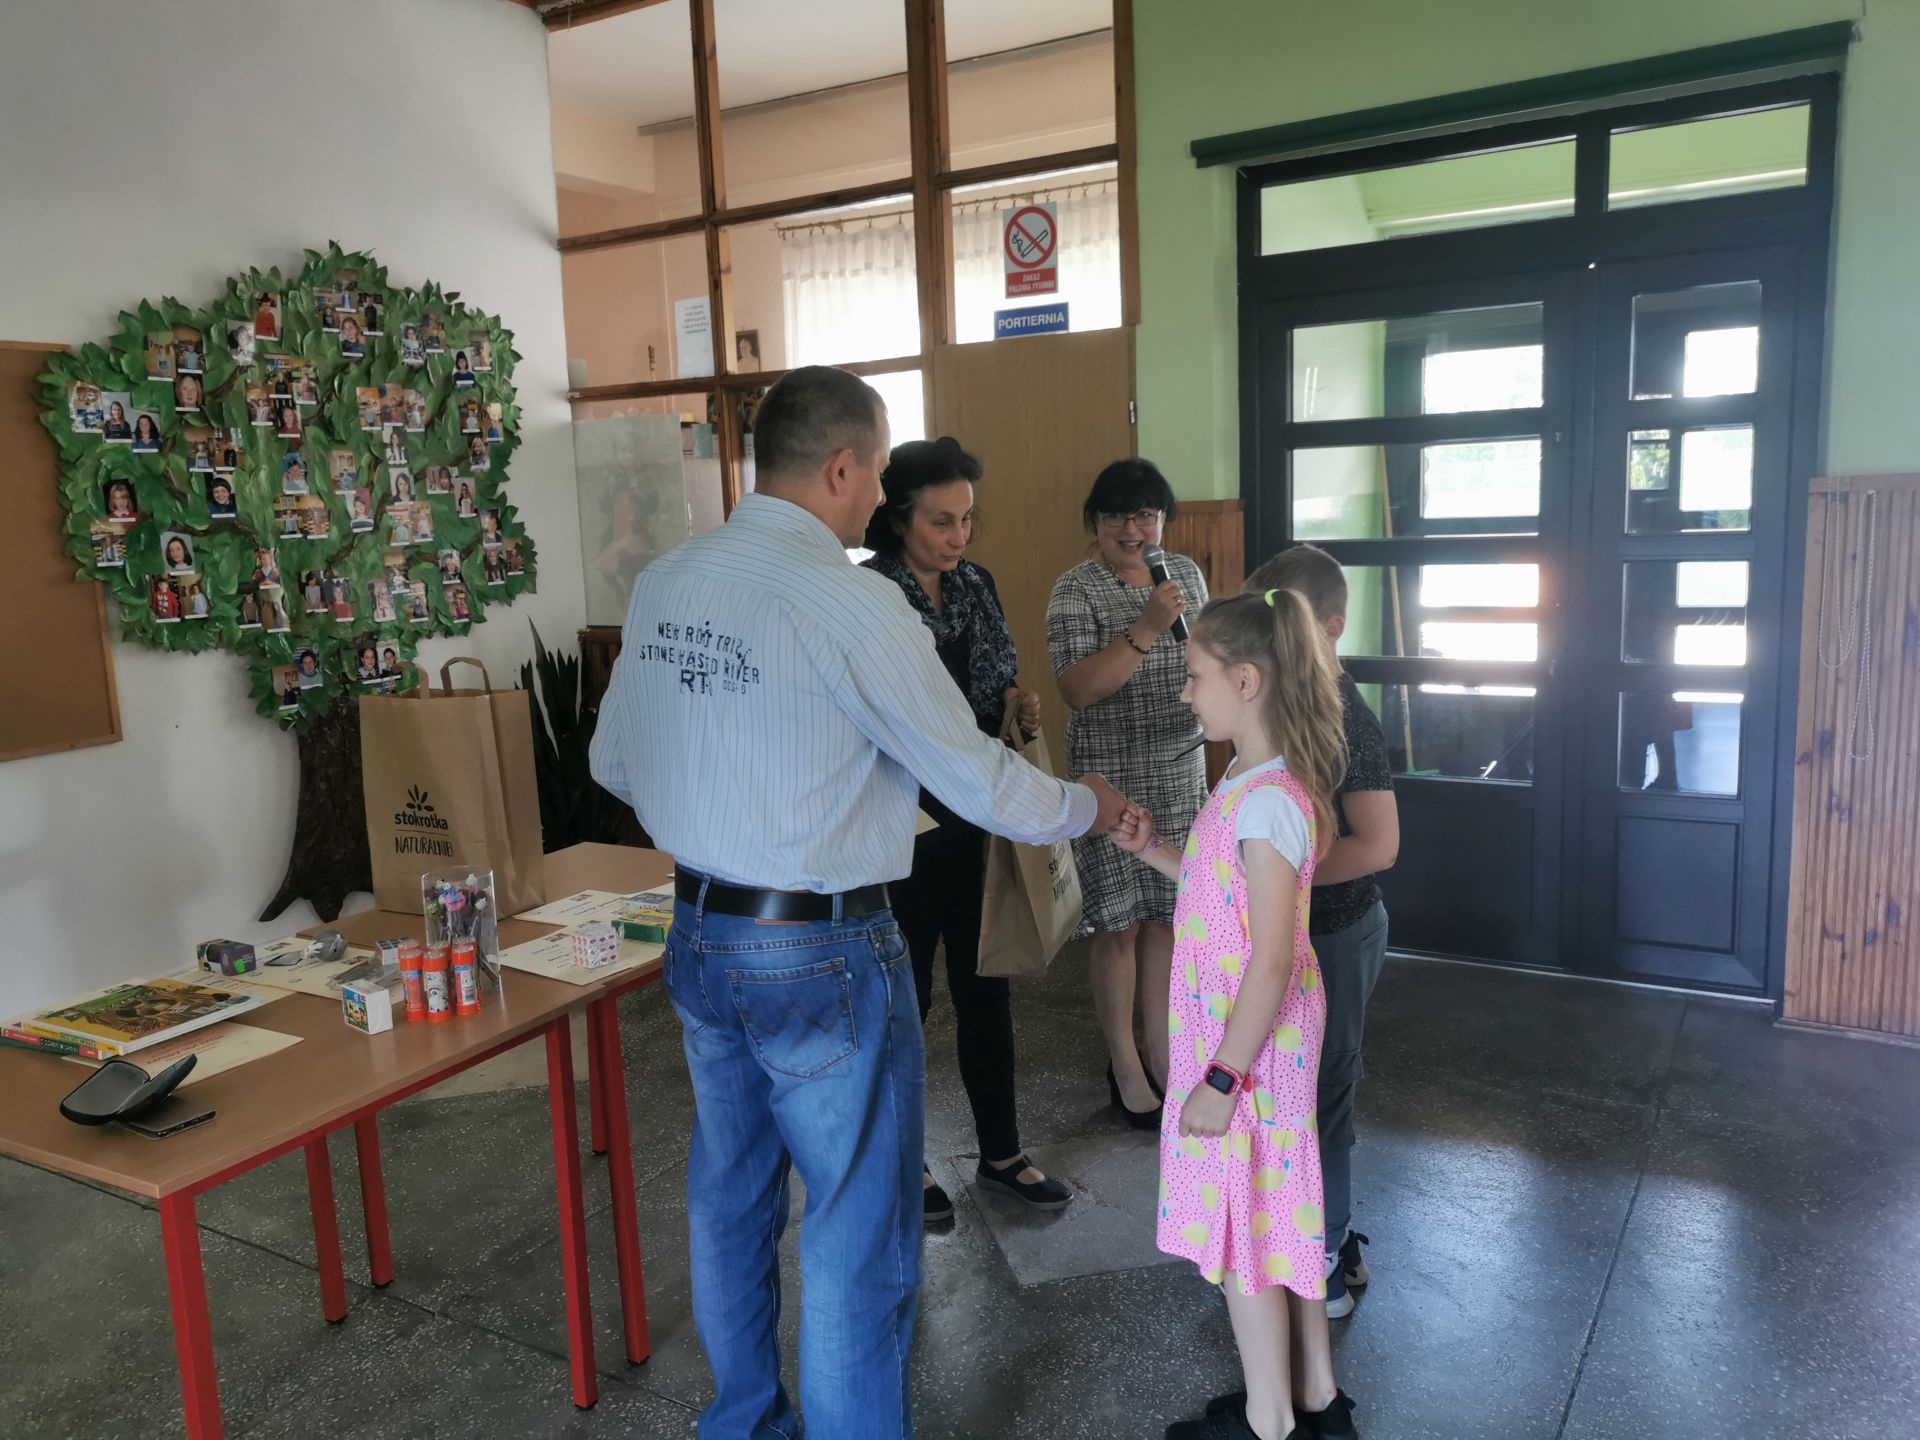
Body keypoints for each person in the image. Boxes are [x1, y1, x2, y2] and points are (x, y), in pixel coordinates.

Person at [588, 366, 1128, 1440]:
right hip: (819, 951)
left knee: (730, 1196)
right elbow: (975, 777)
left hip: (699, 935)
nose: (879, 494)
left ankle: (744, 1423)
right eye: (878, 472)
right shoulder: (852, 600)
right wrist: (1089, 808)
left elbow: (613, 760)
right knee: (854, 1230)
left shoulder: (667, 582)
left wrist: (730, 803)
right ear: (841, 467)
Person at [1112, 588, 1357, 1440]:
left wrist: (1222, 1078)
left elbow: (1273, 957)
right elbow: (1227, 902)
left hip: (1249, 1047)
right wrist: (1151, 850)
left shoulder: (1266, 801)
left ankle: (1269, 1420)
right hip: (1252, 1038)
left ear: (1246, 681)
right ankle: (1317, 1396)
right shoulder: (1254, 781)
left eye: (1194, 676)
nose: (1185, 693)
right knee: (1283, 1209)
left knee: (1247, 1220)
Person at [859, 436, 1071, 1221]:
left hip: (976, 811)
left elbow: (996, 681)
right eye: (941, 521)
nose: (958, 537)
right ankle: (903, 1163)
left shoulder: (974, 584)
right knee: (904, 999)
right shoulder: (869, 593)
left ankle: (1001, 1152)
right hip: (902, 820)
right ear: (897, 519)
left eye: (966, 519)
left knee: (986, 985)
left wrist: (1018, 704)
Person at [1244, 546, 1397, 1320]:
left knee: (1322, 1100)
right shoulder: (1285, 705)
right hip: (1296, 937)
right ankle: (1322, 1236)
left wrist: (1280, 875)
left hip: (1336, 935)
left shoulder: (1348, 720)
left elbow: (1378, 845)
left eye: (1282, 632)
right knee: (1292, 1096)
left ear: (1331, 629)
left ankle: (1325, 1258)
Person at [1046, 459, 1208, 1127]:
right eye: (1117, 515)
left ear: (1163, 520)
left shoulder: (1185, 576)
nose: (1133, 528)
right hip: (1108, 778)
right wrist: (1144, 626)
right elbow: (1077, 690)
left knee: (1167, 918)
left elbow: (1204, 660)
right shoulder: (1075, 590)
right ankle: (1123, 1064)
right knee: (1117, 926)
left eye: (1146, 514)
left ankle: (1164, 1054)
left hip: (1180, 771)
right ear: (1095, 522)